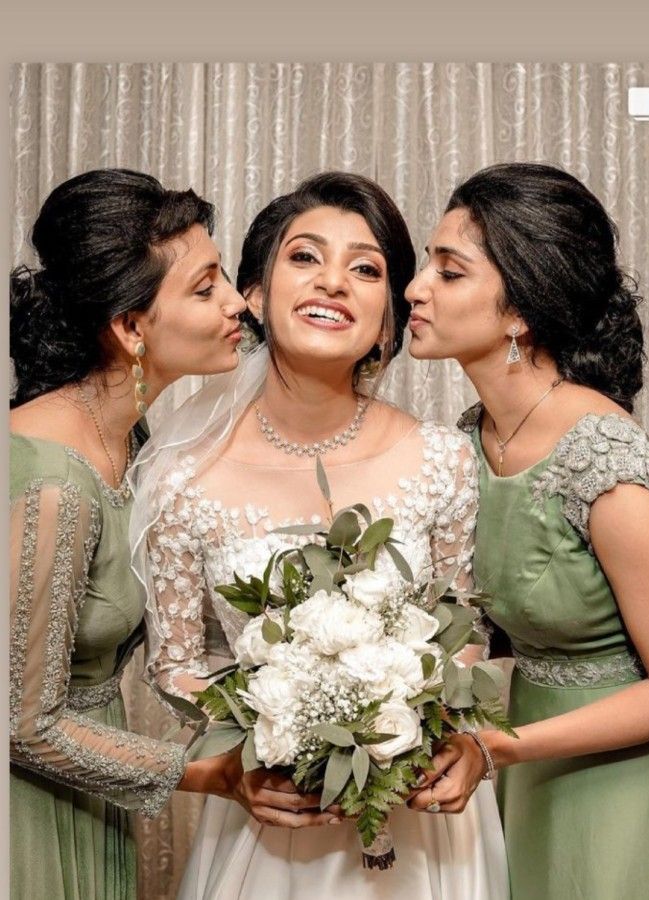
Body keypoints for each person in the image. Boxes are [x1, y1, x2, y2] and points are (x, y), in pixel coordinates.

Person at [131, 171, 510, 899]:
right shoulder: (182, 476)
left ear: (390, 318)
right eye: (305, 257)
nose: (333, 282)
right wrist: (271, 724)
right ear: (252, 291)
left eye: (365, 269)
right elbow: (174, 664)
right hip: (271, 817)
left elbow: (468, 633)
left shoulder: (445, 458)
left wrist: (420, 717)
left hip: (425, 818)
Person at [405, 162, 649, 900]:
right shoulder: (470, 440)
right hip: (523, 769)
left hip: (626, 785)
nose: (415, 288)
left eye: (449, 271)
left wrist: (496, 747)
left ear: (518, 311)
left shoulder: (603, 458)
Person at [9, 168, 283, 900]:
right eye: (205, 288)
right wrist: (209, 775)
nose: (236, 303)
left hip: (85, 794)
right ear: (131, 327)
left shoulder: (129, 440)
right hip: (28, 819)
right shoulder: (51, 478)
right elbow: (23, 725)